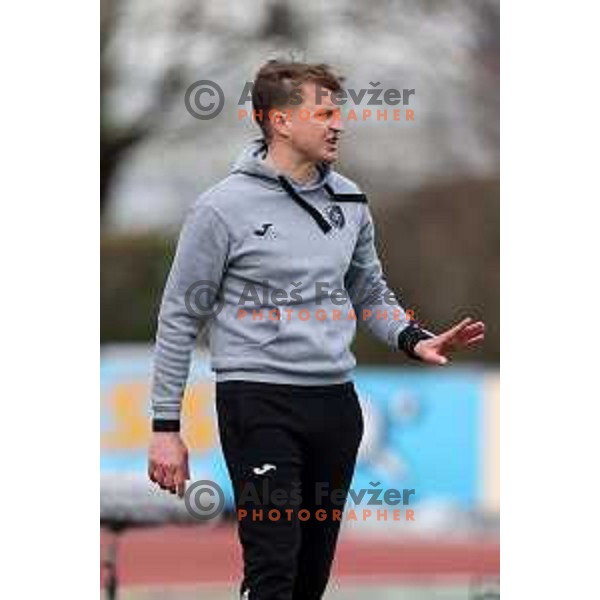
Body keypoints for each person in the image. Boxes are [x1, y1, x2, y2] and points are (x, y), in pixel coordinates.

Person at [148, 60, 485, 600]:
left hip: (334, 407)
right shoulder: (220, 208)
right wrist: (165, 426)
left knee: (309, 579)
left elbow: (370, 291)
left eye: (339, 112)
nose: (339, 124)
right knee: (273, 570)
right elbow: (178, 316)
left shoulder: (350, 199)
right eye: (324, 112)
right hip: (258, 403)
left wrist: (411, 336)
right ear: (279, 121)